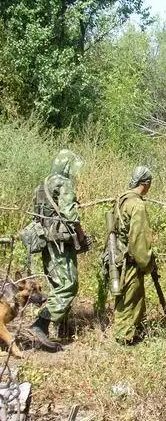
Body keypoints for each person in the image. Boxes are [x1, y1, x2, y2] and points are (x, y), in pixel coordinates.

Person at [28, 149, 86, 351]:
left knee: (56, 283)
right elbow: (70, 214)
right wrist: (80, 234)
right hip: (60, 241)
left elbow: (37, 214)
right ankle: (41, 323)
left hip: (45, 240)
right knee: (69, 285)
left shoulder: (42, 184)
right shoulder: (64, 183)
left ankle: (63, 329)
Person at [112, 166, 154, 345]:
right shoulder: (137, 205)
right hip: (129, 259)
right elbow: (139, 239)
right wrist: (146, 263)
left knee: (128, 297)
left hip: (117, 256)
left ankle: (130, 332)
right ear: (146, 184)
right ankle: (124, 338)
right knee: (130, 299)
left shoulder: (122, 199)